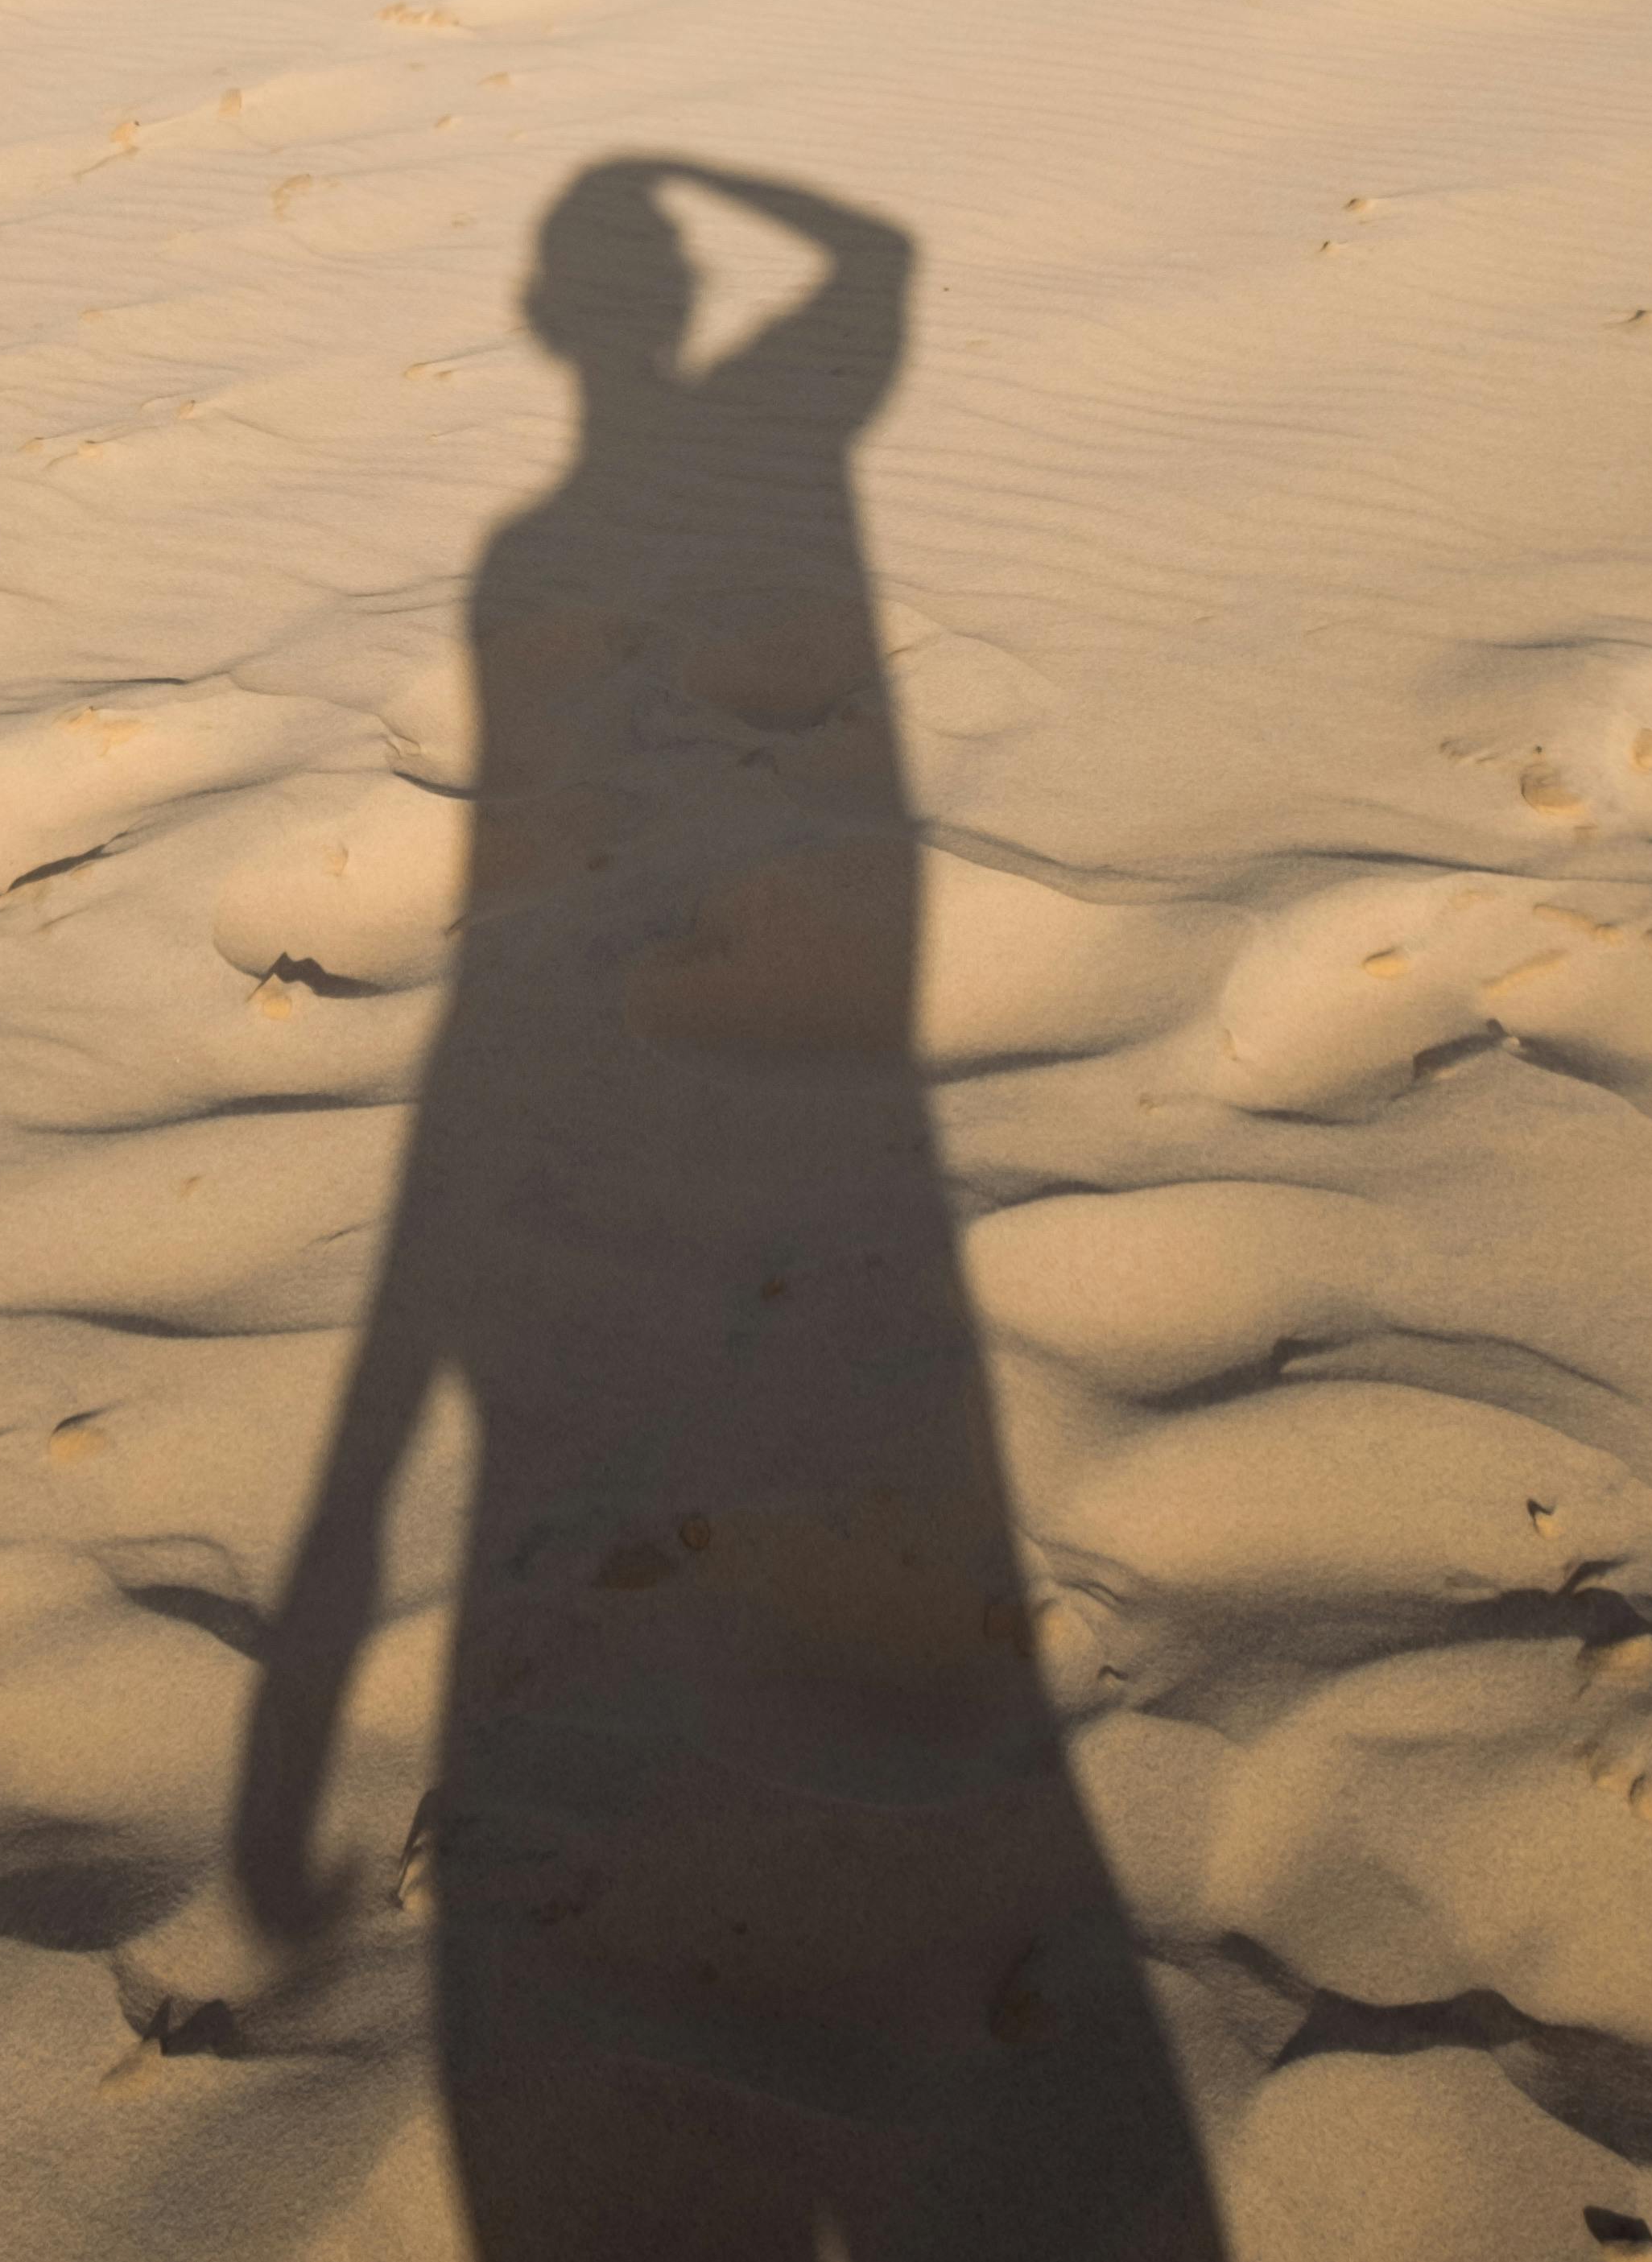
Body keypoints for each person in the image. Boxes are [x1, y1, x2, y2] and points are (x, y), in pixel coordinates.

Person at [238, 157, 1220, 2258]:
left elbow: (504, 930)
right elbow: (875, 254)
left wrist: (332, 1562)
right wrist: (704, 181)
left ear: (537, 322)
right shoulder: (768, 449)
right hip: (850, 1189)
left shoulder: (546, 549)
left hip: (630, 1222)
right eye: (656, 267)